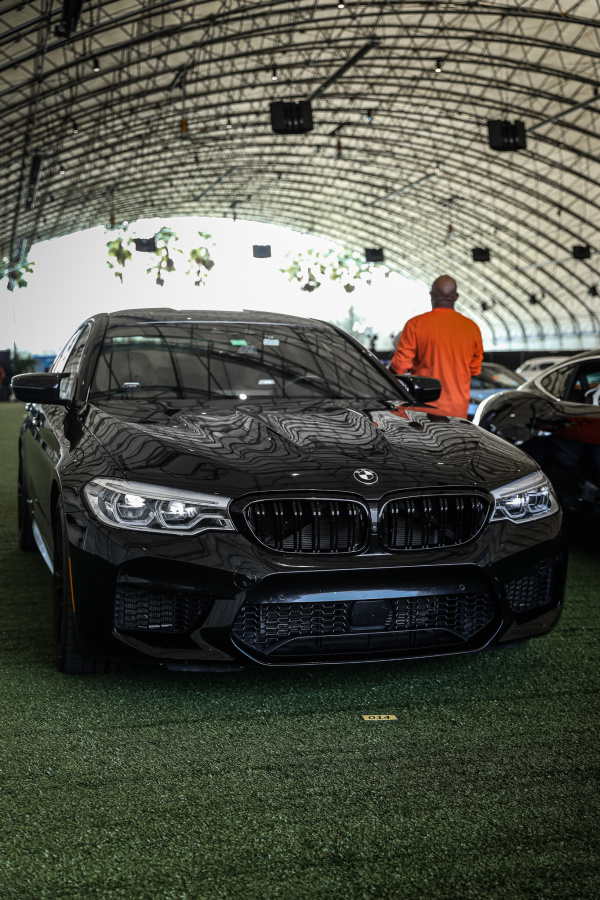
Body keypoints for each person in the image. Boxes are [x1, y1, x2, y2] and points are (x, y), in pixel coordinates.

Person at [389, 275, 483, 418]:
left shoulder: (415, 324)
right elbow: (475, 370)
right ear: (455, 297)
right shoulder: (472, 328)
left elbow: (400, 366)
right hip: (457, 410)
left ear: (431, 295)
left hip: (424, 409)